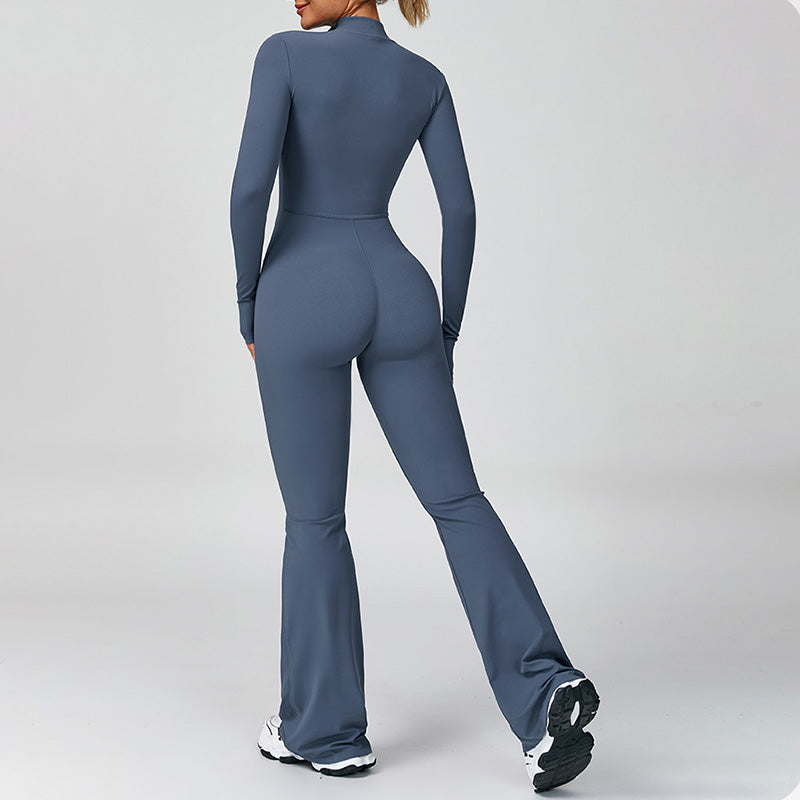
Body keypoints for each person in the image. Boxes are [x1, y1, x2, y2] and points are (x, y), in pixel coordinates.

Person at [229, 0, 600, 792]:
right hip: (400, 290)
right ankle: (544, 689)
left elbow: (249, 189)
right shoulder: (423, 77)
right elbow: (459, 209)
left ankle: (326, 731)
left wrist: (247, 301)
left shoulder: (283, 54)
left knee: (316, 518)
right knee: (458, 499)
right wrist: (447, 327)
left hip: (303, 288)